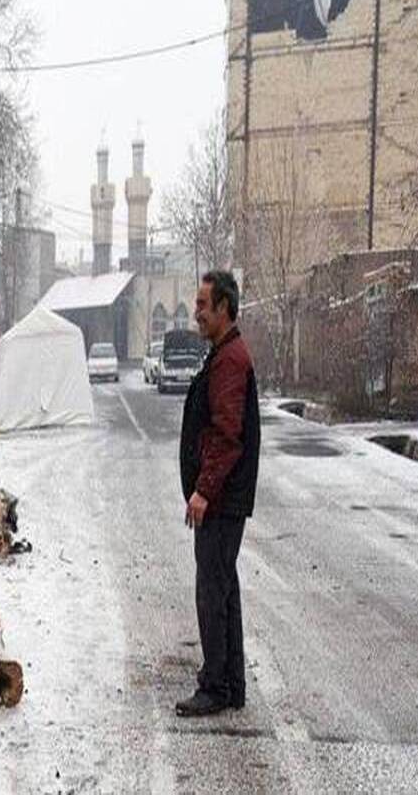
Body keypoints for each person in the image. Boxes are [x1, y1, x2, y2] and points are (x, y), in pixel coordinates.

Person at [176, 270, 261, 717]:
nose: (197, 312)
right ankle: (231, 684)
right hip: (225, 497)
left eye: (202, 304)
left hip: (222, 499)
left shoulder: (229, 360)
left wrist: (204, 491)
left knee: (213, 590)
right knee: (223, 588)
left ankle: (215, 686)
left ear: (224, 307)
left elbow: (227, 435)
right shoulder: (225, 354)